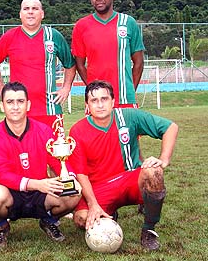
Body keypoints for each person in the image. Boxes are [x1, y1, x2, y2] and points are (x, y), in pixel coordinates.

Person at [68, 80, 178, 250]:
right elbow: (81, 173)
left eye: (104, 99)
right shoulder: (77, 130)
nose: (100, 105)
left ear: (113, 101)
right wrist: (93, 204)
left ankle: (149, 229)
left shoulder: (129, 117)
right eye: (94, 100)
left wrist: (164, 159)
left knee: (154, 172)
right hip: (100, 188)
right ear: (87, 105)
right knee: (81, 219)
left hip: (130, 180)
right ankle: (109, 212)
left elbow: (170, 127)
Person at [0, 82, 81, 249]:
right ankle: (1, 226)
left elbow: (58, 161)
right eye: (10, 102)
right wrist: (35, 183)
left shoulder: (43, 131)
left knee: (74, 193)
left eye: (20, 101)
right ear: (2, 105)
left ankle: (49, 221)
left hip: (41, 194)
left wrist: (71, 178)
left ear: (28, 105)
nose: (15, 107)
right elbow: (1, 174)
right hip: (11, 192)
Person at [0, 0, 76, 128]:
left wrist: (66, 87)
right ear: (20, 14)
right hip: (19, 110)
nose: (30, 12)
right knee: (22, 149)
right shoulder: (9, 36)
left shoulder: (53, 36)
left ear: (42, 14)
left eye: (35, 8)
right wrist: (2, 89)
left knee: (53, 148)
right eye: (26, 9)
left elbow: (70, 64)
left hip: (50, 110)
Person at [71, 0, 145, 108]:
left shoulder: (128, 23)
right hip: (97, 101)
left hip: (125, 99)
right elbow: (79, 64)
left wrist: (130, 91)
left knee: (126, 129)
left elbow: (138, 61)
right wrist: (92, 89)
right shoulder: (81, 26)